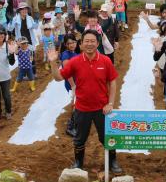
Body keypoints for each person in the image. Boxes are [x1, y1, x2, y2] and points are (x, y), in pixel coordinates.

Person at [47, 30, 123, 174]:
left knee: (107, 136)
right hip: (82, 108)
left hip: (102, 108)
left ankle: (112, 161)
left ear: (97, 43)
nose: (89, 44)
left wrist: (111, 103)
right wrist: (53, 62)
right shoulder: (75, 62)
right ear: (81, 44)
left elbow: (112, 83)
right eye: (86, 41)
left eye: (92, 41)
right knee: (80, 138)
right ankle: (78, 162)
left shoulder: (105, 61)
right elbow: (58, 78)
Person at [60, 34, 80, 137]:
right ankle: (71, 127)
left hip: (78, 82)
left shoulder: (75, 53)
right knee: (75, 104)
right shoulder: (65, 54)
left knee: (76, 102)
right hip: (72, 83)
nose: (72, 45)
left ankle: (75, 124)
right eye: (69, 43)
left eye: (73, 42)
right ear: (66, 44)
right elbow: (67, 72)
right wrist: (73, 86)